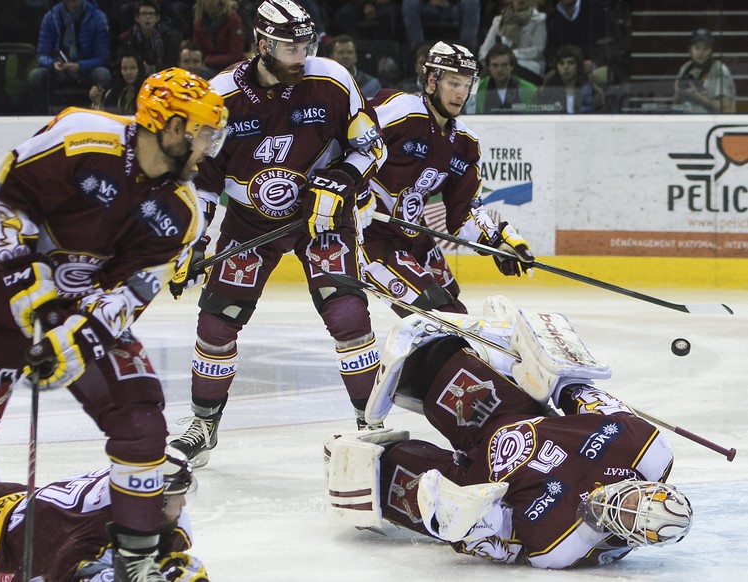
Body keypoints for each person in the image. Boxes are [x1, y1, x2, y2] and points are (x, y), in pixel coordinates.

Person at [0, 68, 228, 581]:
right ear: (172, 127)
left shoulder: (180, 210)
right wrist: (28, 288)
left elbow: (131, 293)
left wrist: (76, 339)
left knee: (141, 422)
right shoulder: (83, 137)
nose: (209, 150)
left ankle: (135, 565)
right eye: (203, 135)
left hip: (80, 312)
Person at [168, 0, 386, 468]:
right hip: (249, 222)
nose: (300, 55)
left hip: (320, 216)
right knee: (217, 321)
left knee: (348, 314)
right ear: (262, 44)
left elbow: (371, 147)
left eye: (306, 44)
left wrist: (342, 182)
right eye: (289, 46)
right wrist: (194, 242)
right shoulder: (218, 98)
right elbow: (202, 185)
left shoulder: (330, 78)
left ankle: (372, 423)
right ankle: (203, 423)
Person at [325, 304, 694, 568]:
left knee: (371, 471)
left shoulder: (562, 547)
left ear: (634, 538)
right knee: (431, 356)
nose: (622, 509)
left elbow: (496, 539)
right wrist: (547, 369)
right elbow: (582, 394)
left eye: (630, 520)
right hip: (502, 416)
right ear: (643, 487)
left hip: (472, 482)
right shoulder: (646, 449)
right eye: (633, 502)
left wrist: (464, 519)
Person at [361, 42, 534, 318]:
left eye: (467, 85)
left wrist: (497, 240)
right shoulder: (400, 110)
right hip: (368, 236)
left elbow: (463, 211)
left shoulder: (465, 143)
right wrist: (349, 195)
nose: (461, 93)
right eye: (454, 83)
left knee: (452, 306)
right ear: (432, 80)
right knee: (434, 311)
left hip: (413, 234)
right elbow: (347, 142)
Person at [0, 452, 206, 581]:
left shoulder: (130, 483)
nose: (183, 508)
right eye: (178, 499)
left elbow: (186, 569)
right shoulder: (87, 539)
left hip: (2, 501)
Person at [28, 0, 112, 114]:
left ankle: (99, 114)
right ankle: (40, 117)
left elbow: (103, 57)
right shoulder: (50, 17)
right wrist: (52, 64)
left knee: (103, 75)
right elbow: (42, 55)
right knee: (36, 76)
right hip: (59, 70)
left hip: (86, 71)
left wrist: (80, 66)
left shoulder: (97, 17)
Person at [478, 0, 546, 86]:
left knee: (506, 67)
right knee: (493, 67)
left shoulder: (538, 20)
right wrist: (491, 59)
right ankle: (478, 95)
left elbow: (537, 50)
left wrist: (512, 55)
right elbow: (485, 49)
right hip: (501, 61)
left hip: (528, 64)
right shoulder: (499, 20)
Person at [673, 28, 736, 114]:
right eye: (697, 48)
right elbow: (675, 105)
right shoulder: (685, 68)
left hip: (712, 124)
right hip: (686, 123)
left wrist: (697, 96)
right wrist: (678, 93)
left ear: (711, 51)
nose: (701, 52)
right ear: (690, 50)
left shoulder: (720, 70)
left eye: (705, 48)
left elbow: (726, 108)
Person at [466, 42, 539, 114]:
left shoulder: (529, 90)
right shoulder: (476, 89)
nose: (499, 69)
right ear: (488, 67)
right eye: (495, 65)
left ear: (512, 66)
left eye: (504, 65)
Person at [118, 0, 183, 76]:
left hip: (162, 75)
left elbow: (172, 64)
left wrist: (153, 68)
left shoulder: (168, 36)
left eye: (151, 14)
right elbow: (122, 64)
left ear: (157, 18)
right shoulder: (127, 38)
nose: (147, 17)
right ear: (137, 18)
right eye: (143, 14)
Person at [539, 43, 605, 113]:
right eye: (561, 63)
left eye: (570, 63)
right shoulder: (549, 90)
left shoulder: (589, 89)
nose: (565, 67)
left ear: (578, 65)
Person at [402, 0, 481, 52]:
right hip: (427, 5)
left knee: (472, 2)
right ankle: (418, 50)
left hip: (453, 6)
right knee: (410, 3)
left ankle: (467, 50)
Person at [190, 0, 246, 74]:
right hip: (207, 65)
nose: (210, 2)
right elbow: (197, 49)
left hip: (231, 69)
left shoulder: (234, 21)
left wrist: (207, 59)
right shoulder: (198, 22)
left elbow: (235, 56)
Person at [327, 34, 382, 99]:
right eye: (340, 52)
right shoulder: (323, 83)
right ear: (331, 57)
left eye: (350, 52)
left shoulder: (371, 85)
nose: (345, 56)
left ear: (356, 57)